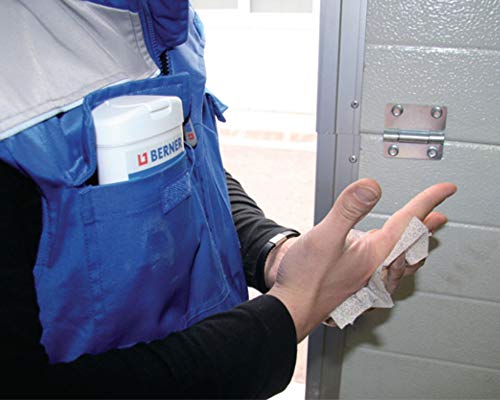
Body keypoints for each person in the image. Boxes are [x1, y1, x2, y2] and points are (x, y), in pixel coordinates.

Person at [0, 1, 456, 398]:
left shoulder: (167, 25)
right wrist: (297, 306)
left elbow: (188, 172)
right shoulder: (15, 81)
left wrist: (275, 254)